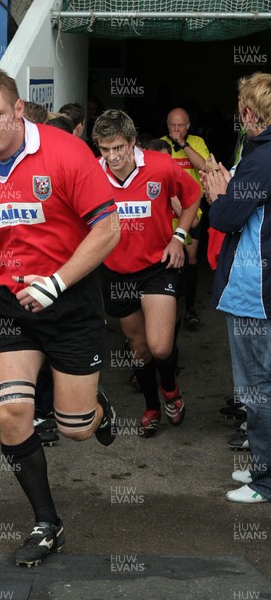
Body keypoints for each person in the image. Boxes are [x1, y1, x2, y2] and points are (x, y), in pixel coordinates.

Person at [0, 68, 121, 566]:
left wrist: (58, 281)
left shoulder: (67, 154)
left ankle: (97, 411)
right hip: (10, 304)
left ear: (19, 109)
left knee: (75, 427)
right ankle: (47, 522)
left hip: (70, 299)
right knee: (11, 412)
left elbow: (107, 229)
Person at [92, 109, 200, 437]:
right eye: (104, 149)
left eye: (118, 148)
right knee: (139, 348)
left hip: (157, 267)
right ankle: (152, 406)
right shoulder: (91, 174)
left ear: (133, 142)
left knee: (161, 347)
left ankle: (170, 389)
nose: (112, 157)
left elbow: (193, 196)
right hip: (116, 273)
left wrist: (179, 238)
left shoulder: (160, 165)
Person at [201, 72, 271, 504]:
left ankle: (265, 481)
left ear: (248, 113)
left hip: (255, 293)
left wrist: (217, 196)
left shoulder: (261, 157)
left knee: (257, 388)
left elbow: (227, 219)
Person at [161, 107, 210, 329]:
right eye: (173, 125)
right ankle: (168, 310)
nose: (177, 129)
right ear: (167, 125)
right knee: (167, 261)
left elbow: (205, 167)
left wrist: (184, 144)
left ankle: (189, 309)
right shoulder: (159, 144)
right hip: (167, 212)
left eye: (181, 125)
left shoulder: (196, 142)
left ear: (188, 126)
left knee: (190, 259)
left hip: (194, 211)